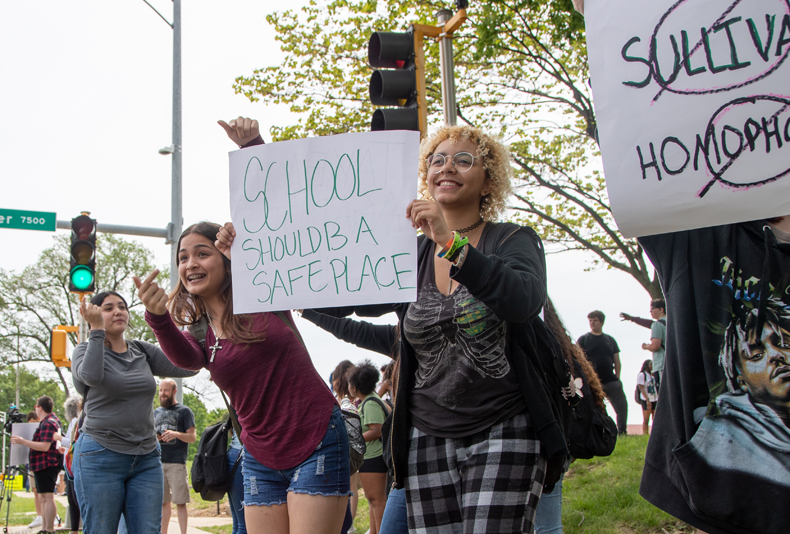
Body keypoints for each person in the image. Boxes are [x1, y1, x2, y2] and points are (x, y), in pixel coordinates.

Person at [305, 124, 562, 533]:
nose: (447, 167)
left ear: (488, 181)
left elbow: (523, 300)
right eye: (437, 160)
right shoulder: (409, 255)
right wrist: (254, 267)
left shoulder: (512, 239)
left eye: (464, 160)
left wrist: (450, 242)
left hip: (505, 427)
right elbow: (344, 291)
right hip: (426, 437)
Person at [134, 218, 350, 534]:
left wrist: (247, 252)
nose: (191, 263)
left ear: (225, 259)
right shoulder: (200, 334)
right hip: (259, 454)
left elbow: (284, 261)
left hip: (316, 437)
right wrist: (158, 318)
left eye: (202, 253)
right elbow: (185, 360)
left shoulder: (265, 293)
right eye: (183, 257)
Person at [71, 291, 197, 534]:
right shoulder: (83, 351)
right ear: (94, 314)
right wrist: (96, 330)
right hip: (100, 456)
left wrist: (196, 322)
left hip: (146, 457)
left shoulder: (141, 350)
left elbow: (189, 366)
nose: (118, 311)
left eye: (122, 306)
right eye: (108, 308)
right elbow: (91, 377)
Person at [347, 361, 390, 534]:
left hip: (374, 457)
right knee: (372, 500)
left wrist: (354, 439)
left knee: (377, 500)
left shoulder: (370, 403)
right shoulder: (370, 400)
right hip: (370, 457)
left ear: (355, 387)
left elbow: (377, 430)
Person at [10, 396, 62, 534]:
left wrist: (23, 441)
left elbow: (45, 446)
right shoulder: (52, 420)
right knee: (43, 497)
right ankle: (45, 528)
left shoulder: (47, 423)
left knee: (47, 497)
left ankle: (49, 529)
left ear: (39, 408)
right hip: (44, 464)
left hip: (46, 463)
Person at [155, 379, 196, 534]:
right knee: (163, 503)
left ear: (174, 391)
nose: (162, 394)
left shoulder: (185, 411)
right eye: (160, 390)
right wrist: (156, 438)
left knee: (180, 502)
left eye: (166, 390)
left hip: (177, 463)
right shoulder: (155, 412)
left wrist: (176, 434)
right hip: (158, 463)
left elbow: (192, 437)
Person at [577, 311, 628, 435]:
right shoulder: (584, 339)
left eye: (595, 320)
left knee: (622, 407)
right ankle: (600, 432)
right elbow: (577, 358)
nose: (592, 323)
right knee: (595, 409)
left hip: (610, 380)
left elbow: (617, 360)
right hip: (592, 382)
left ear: (601, 322)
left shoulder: (610, 340)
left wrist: (618, 377)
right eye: (590, 320)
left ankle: (622, 431)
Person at [621, 299, 667, 393]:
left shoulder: (657, 324)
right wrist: (633, 319)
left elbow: (655, 346)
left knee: (664, 393)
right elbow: (649, 323)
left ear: (661, 309)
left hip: (662, 364)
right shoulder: (673, 322)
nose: (650, 312)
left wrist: (646, 346)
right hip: (675, 362)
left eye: (652, 309)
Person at [55, 395, 83, 534]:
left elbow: (72, 441)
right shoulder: (76, 421)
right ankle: (74, 530)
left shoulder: (76, 421)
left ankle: (76, 529)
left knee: (75, 500)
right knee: (72, 499)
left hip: (73, 465)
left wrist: (59, 438)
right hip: (70, 464)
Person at [24, 410, 44, 530]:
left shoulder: (43, 428)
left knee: (44, 492)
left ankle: (48, 515)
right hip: (31, 462)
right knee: (35, 490)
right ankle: (39, 515)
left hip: (41, 462)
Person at [636, 360, 657, 435]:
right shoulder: (642, 375)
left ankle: (654, 433)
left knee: (655, 418)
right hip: (646, 399)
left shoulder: (652, 375)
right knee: (646, 418)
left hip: (654, 398)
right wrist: (647, 400)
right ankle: (645, 434)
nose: (652, 366)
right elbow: (641, 388)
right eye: (651, 364)